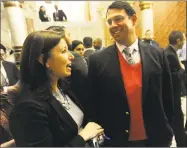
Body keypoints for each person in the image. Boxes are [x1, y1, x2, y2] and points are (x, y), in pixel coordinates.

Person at [88, 1, 174, 146]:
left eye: (118, 19)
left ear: (133, 19)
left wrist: (169, 129)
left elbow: (168, 97)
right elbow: (94, 104)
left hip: (155, 138)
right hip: (117, 140)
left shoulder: (157, 53)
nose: (113, 25)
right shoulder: (97, 60)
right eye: (109, 21)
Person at [9, 31, 104, 146]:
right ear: (43, 59)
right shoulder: (28, 107)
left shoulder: (63, 86)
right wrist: (83, 136)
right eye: (63, 51)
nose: (71, 56)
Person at [165, 31, 186, 146]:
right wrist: (182, 69)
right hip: (172, 97)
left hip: (174, 96)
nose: (184, 41)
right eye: (184, 39)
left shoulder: (172, 52)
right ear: (178, 41)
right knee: (177, 121)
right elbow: (171, 78)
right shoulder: (169, 54)